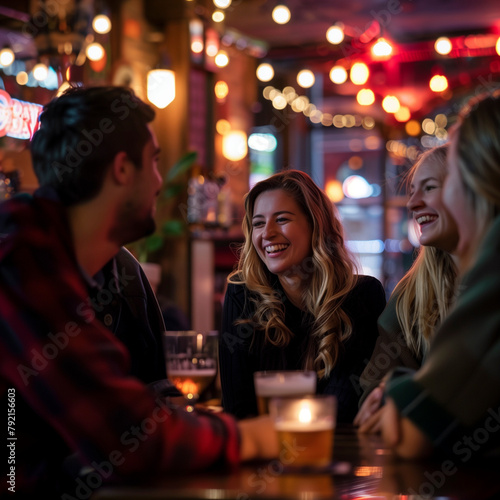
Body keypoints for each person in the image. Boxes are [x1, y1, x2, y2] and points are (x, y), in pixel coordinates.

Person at [0, 86, 277, 497]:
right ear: (122, 170)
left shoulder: (112, 268)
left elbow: (147, 395)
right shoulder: (19, 257)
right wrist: (255, 437)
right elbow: (129, 438)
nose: (160, 182)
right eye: (154, 163)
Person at [381, 91, 500, 459]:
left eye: (443, 183)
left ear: (476, 181)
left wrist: (398, 389)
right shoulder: (408, 293)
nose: (416, 203)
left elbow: (413, 432)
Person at [219, 170, 386, 423]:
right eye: (259, 223)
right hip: (259, 457)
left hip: (337, 455)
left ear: (315, 226)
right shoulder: (242, 295)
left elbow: (342, 408)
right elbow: (237, 411)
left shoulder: (361, 295)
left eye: (282, 219)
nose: (267, 233)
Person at [354, 145, 459, 433]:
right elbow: (373, 392)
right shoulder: (412, 294)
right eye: (411, 191)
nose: (412, 204)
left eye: (429, 188)